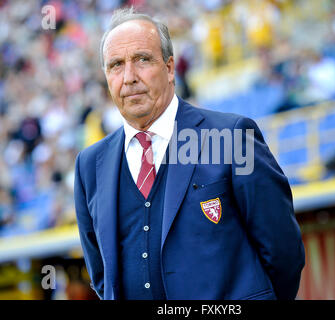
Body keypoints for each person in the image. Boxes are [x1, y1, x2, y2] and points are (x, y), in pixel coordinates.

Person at [74, 7, 305, 300]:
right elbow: (102, 276)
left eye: (142, 60)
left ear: (170, 68)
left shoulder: (231, 137)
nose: (129, 77)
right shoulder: (90, 165)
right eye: (116, 65)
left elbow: (283, 252)